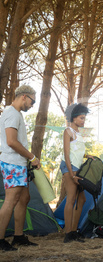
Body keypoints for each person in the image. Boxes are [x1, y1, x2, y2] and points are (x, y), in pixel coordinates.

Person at [0, 85, 41, 251]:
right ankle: (1, 240)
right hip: (13, 162)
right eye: (33, 101)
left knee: (24, 198)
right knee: (11, 200)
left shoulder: (15, 114)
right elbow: (11, 141)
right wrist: (32, 157)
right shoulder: (11, 113)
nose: (32, 105)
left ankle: (18, 237)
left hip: (19, 163)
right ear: (24, 96)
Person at [61, 103, 92, 243]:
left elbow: (77, 151)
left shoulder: (79, 133)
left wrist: (87, 156)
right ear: (73, 118)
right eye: (81, 118)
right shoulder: (68, 131)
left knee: (82, 199)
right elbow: (67, 154)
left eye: (84, 118)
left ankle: (74, 231)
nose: (83, 121)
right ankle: (68, 233)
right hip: (69, 167)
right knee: (72, 198)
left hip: (78, 168)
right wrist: (72, 174)